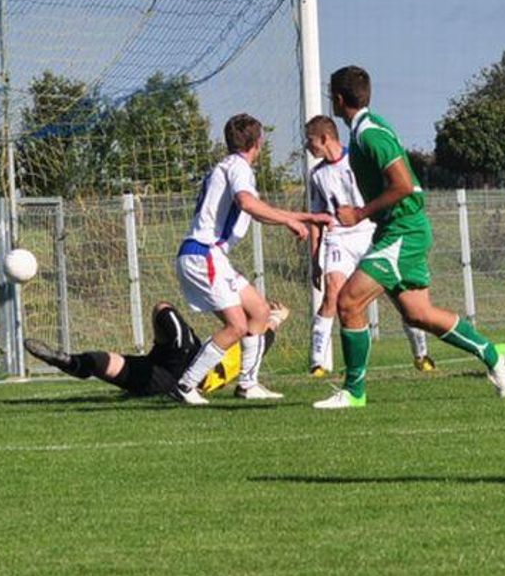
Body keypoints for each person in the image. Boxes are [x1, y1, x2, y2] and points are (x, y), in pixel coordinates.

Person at [314, 66, 505, 409]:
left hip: (403, 230)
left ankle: (354, 392)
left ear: (337, 98)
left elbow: (404, 184)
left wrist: (359, 214)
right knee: (419, 314)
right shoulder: (365, 129)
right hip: (398, 229)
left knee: (348, 302)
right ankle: (494, 354)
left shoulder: (369, 134)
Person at [170, 113, 332, 405]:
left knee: (258, 311)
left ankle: (248, 384)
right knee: (236, 326)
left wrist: (304, 218)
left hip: (210, 254)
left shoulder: (230, 166)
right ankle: (185, 385)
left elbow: (257, 207)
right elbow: (248, 204)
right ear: (258, 143)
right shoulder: (239, 168)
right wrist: (293, 221)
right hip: (203, 254)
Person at [304, 114, 436, 376]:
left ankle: (421, 354)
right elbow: (316, 220)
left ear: (324, 138)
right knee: (333, 294)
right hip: (338, 237)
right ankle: (317, 362)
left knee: (401, 297)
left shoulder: (358, 159)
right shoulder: (316, 175)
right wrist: (315, 259)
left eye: (310, 142)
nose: (308, 148)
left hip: (369, 231)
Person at [23, 301, 289, 397]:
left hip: (189, 369)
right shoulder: (249, 349)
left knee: (164, 309)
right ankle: (73, 363)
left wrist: (275, 318)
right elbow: (266, 333)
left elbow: (263, 334)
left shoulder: (248, 345)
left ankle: (73, 362)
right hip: (164, 379)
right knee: (114, 365)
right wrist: (277, 318)